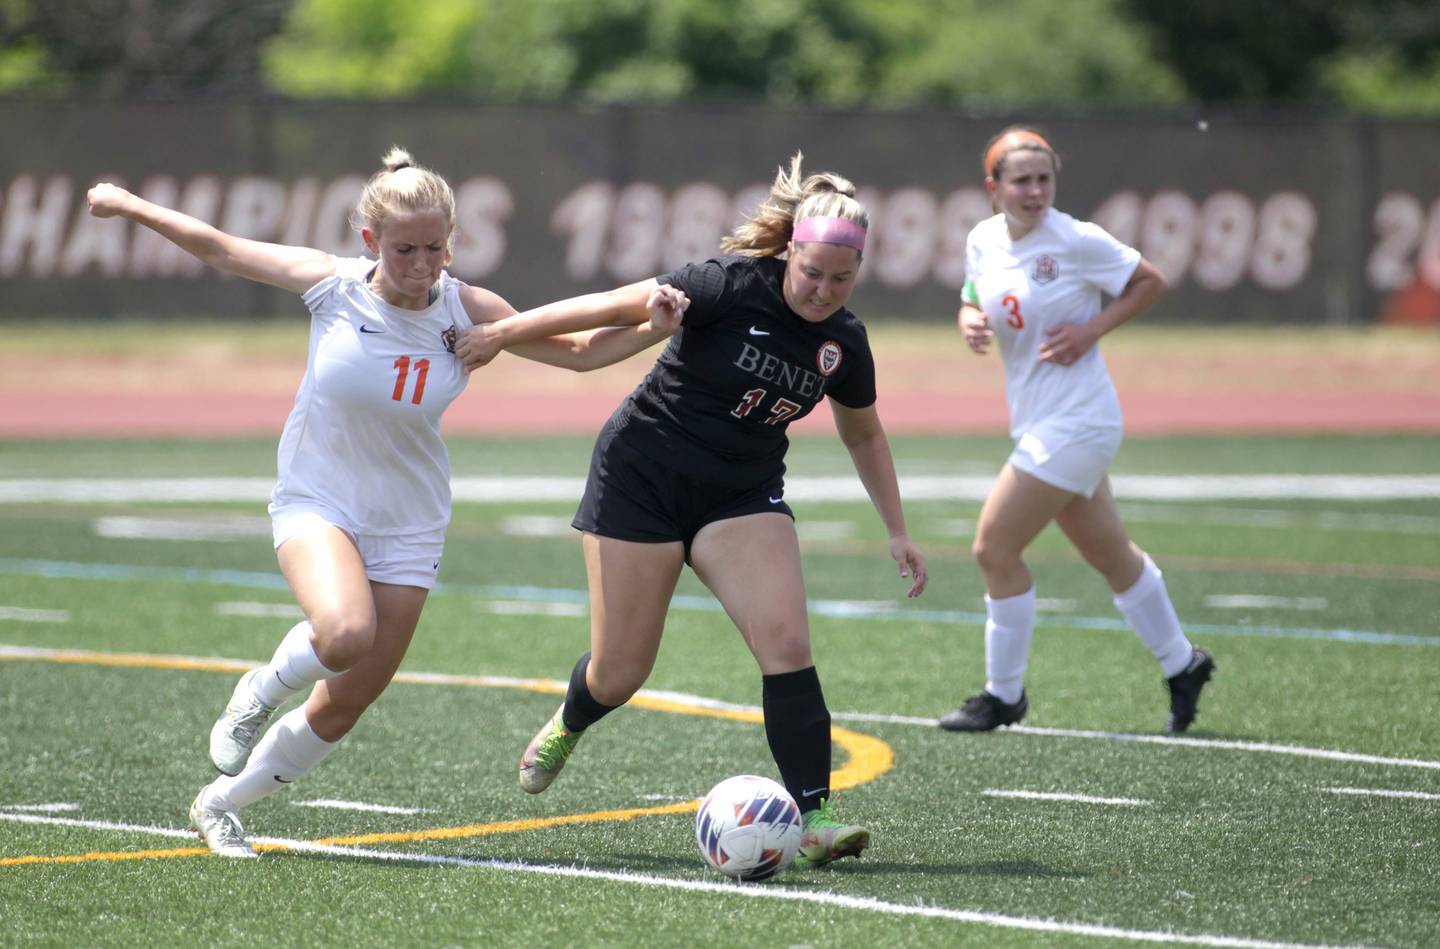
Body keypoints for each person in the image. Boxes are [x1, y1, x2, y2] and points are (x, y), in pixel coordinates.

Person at [87, 147, 679, 858]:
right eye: (405, 248)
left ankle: (221, 804)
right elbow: (220, 248)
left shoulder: (469, 309)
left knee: (347, 698)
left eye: (435, 247)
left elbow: (580, 351)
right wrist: (128, 204)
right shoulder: (331, 288)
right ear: (371, 241)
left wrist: (657, 326)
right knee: (342, 633)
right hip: (319, 498)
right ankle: (257, 690)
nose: (422, 262)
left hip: (411, 520)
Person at [456, 152, 929, 872]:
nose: (825, 290)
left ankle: (817, 817)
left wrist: (897, 530)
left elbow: (863, 430)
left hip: (741, 493)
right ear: (790, 252)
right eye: (812, 272)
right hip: (641, 477)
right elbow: (602, 312)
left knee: (786, 643)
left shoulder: (843, 343)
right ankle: (571, 718)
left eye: (843, 278)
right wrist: (502, 334)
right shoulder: (728, 284)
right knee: (619, 671)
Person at [939, 127, 1215, 735]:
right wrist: (969, 319)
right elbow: (971, 294)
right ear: (995, 188)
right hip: (1040, 419)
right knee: (1111, 555)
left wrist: (1093, 329)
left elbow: (1150, 281)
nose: (1035, 191)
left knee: (993, 546)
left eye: (1044, 179)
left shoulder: (1075, 239)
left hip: (1080, 420)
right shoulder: (983, 239)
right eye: (1022, 180)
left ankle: (1003, 696)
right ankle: (1183, 663)